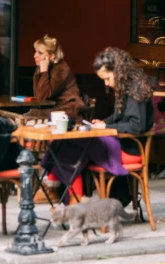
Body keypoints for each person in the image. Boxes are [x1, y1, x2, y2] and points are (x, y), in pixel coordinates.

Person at [42, 46, 154, 204]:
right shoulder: (126, 86)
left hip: (129, 147)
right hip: (119, 142)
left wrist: (106, 128)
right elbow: (118, 117)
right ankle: (68, 194)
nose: (107, 84)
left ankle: (61, 189)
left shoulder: (136, 90)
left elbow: (137, 126)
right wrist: (103, 122)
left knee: (76, 144)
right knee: (68, 143)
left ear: (119, 71)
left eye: (108, 78)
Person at [33, 35, 83, 120]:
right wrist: (43, 71)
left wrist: (44, 71)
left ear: (52, 56)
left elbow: (42, 97)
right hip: (53, 110)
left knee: (29, 119)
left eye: (40, 53)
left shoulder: (61, 69)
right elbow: (39, 97)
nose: (35, 56)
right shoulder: (44, 67)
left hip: (67, 112)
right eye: (35, 52)